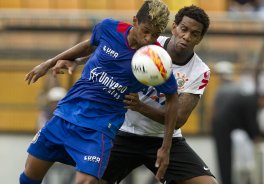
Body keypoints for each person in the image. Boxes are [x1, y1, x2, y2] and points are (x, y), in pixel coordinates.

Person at [39, 5, 218, 184]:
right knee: (89, 181)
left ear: (200, 38)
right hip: (122, 132)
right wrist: (76, 61)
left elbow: (178, 119)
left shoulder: (200, 71)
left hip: (161, 140)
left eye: (194, 34)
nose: (186, 37)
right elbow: (108, 50)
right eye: (184, 29)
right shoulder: (149, 42)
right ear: (174, 28)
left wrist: (141, 108)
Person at [20, 1, 179, 184]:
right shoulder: (111, 27)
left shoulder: (156, 58)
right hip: (66, 114)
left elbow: (173, 98)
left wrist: (166, 146)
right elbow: (89, 45)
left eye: (155, 35)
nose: (148, 39)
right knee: (29, 175)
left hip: (98, 129)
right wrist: (51, 63)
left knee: (86, 182)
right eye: (146, 31)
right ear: (135, 21)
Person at [211, 61, 261, 184]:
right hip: (232, 124)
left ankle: (227, 181)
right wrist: (254, 135)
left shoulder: (220, 90)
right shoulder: (238, 88)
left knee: (224, 157)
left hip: (222, 124)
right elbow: (248, 118)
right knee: (245, 157)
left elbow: (214, 110)